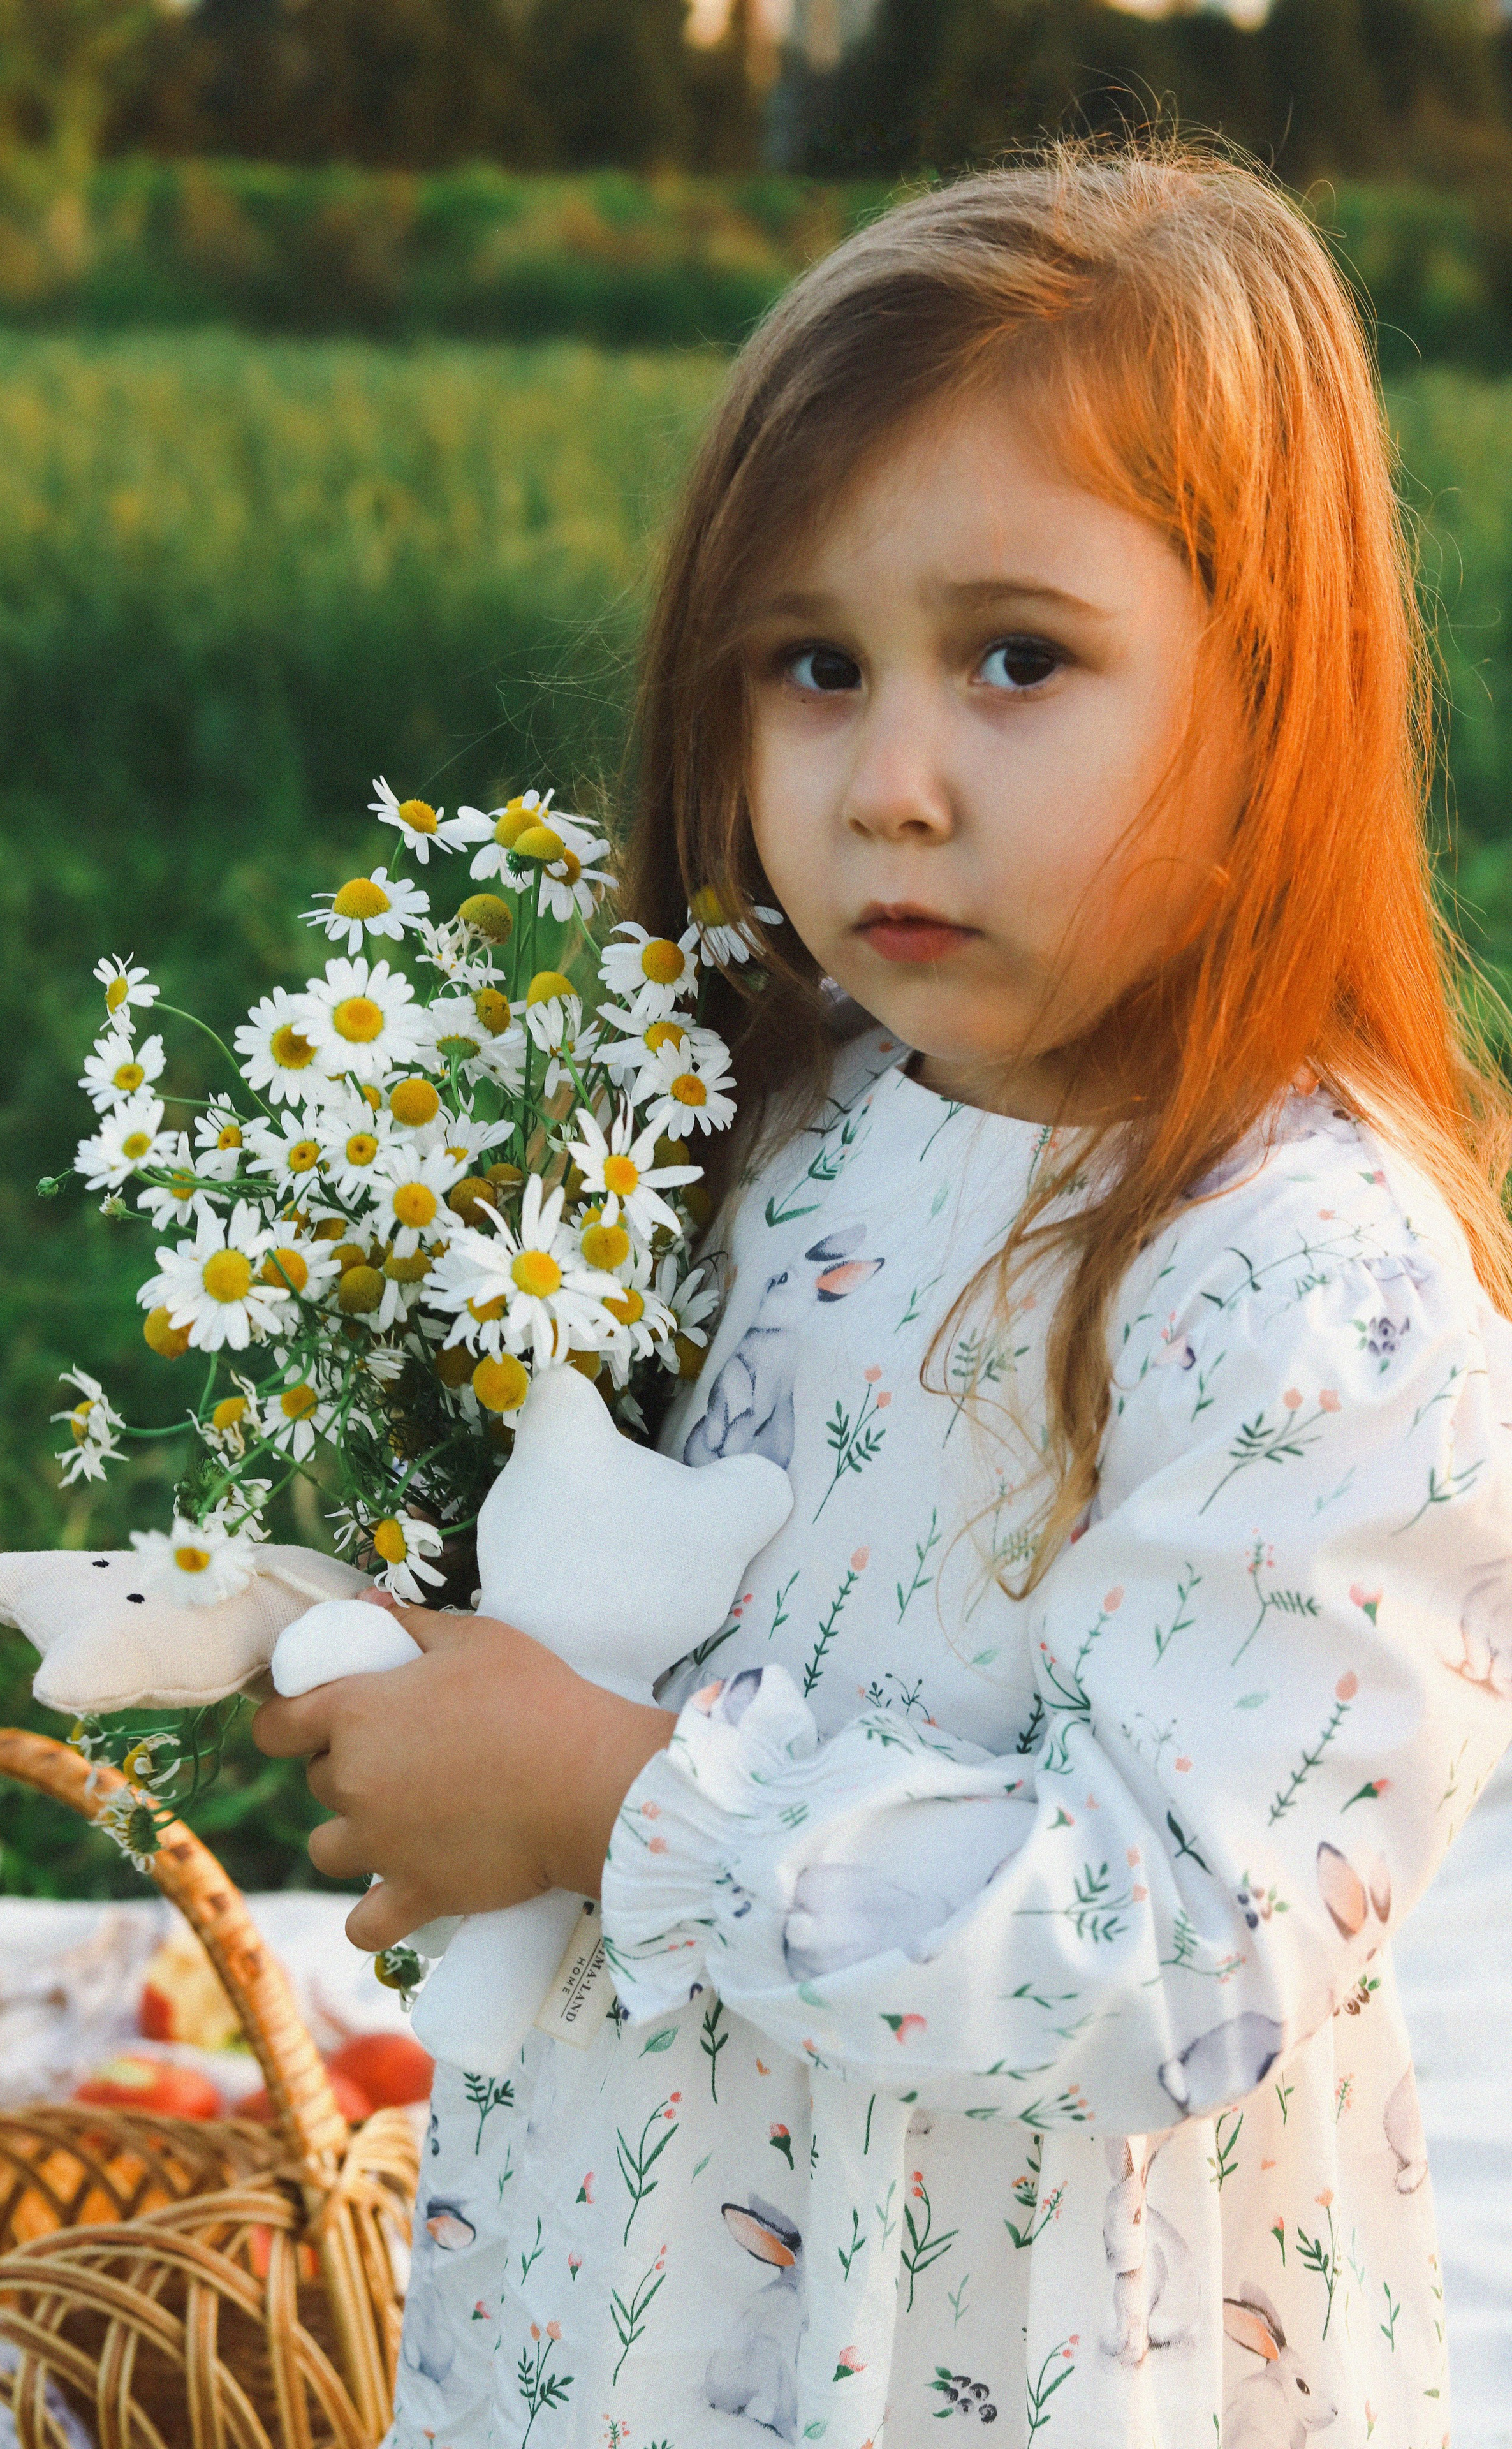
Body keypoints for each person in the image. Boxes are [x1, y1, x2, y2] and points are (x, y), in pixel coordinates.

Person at [252, 138, 1512, 2446]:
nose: (891, 784)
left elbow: (1184, 1951)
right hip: (655, 2291)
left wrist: (610, 1797)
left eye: (1019, 658)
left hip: (1009, 2351)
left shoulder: (1303, 1279)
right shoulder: (772, 1110)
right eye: (815, 668)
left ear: (1273, 693)